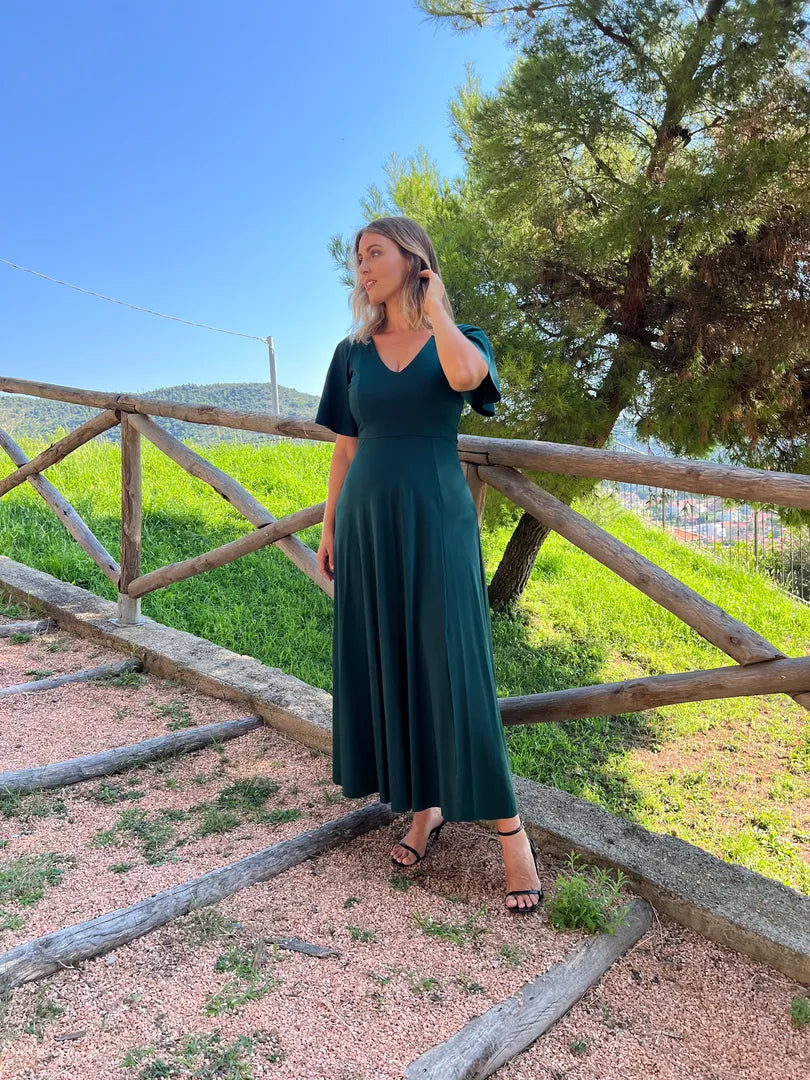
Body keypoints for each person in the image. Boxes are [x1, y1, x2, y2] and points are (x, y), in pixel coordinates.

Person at [315, 216, 543, 913]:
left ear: (414, 260)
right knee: (398, 660)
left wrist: (436, 306)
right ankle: (424, 811)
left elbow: (469, 380)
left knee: (455, 666)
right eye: (357, 257)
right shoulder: (351, 353)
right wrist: (329, 526)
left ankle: (512, 833)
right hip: (367, 522)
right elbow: (346, 447)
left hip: (438, 520)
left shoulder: (462, 339)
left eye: (374, 253)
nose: (362, 267)